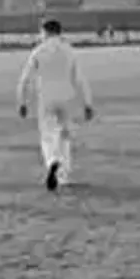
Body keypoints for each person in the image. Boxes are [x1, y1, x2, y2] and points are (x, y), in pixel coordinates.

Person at [16, 18, 95, 191]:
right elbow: (80, 79)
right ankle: (63, 175)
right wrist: (88, 103)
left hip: (46, 97)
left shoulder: (38, 51)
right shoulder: (69, 51)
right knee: (65, 135)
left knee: (48, 134)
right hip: (67, 96)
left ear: (46, 32)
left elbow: (25, 79)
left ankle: (53, 160)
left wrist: (22, 101)